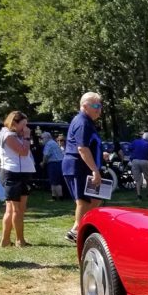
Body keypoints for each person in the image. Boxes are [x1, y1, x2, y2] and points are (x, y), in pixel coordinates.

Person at [62, 92, 105, 244]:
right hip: (78, 166)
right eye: (96, 106)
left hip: (84, 165)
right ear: (85, 106)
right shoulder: (83, 122)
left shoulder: (88, 122)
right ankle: (78, 233)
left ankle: (76, 230)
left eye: (100, 106)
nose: (99, 109)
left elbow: (89, 146)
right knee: (84, 201)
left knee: (96, 198)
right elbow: (82, 149)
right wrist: (95, 170)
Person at [0, 111, 36, 246]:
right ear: (14, 123)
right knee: (15, 209)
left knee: (19, 209)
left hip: (22, 173)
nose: (26, 128)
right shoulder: (8, 135)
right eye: (23, 125)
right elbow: (23, 152)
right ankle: (19, 240)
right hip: (12, 173)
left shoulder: (14, 134)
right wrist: (27, 136)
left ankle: (6, 240)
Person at [40, 130, 65, 201]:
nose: (42, 140)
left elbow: (46, 155)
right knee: (53, 181)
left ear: (47, 137)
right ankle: (54, 196)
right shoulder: (53, 143)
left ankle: (60, 197)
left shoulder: (49, 144)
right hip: (57, 163)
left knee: (56, 181)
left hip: (54, 163)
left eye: (42, 138)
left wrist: (43, 163)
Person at [128, 132, 148, 199]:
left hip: (135, 161)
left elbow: (129, 148)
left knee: (138, 179)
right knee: (147, 178)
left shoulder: (135, 141)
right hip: (145, 161)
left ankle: (139, 194)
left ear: (142, 137)